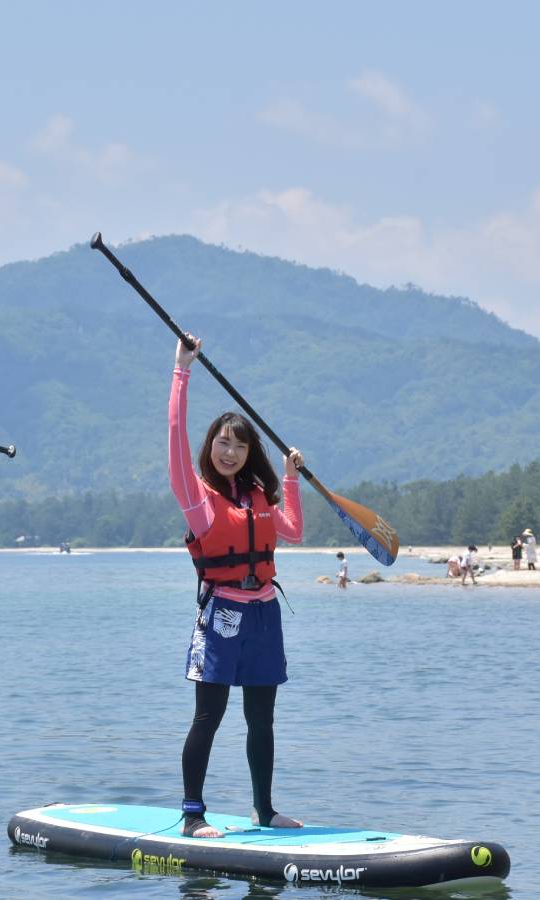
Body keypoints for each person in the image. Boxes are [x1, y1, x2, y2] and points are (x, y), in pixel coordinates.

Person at [169, 335, 306, 839]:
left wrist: (289, 478)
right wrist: (181, 372)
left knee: (262, 719)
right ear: (210, 447)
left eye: (240, 444)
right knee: (209, 716)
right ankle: (192, 816)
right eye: (222, 442)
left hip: (265, 614)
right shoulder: (198, 499)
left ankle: (264, 811)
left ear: (250, 452)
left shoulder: (259, 496)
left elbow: (293, 530)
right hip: (222, 614)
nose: (230, 451)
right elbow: (174, 440)